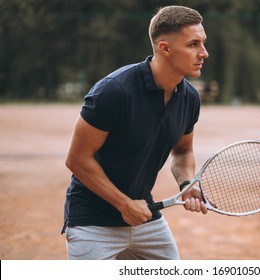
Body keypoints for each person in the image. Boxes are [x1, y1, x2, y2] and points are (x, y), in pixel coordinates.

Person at [62, 5, 209, 260]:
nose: (204, 53)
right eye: (193, 44)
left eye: (203, 43)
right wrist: (124, 204)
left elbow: (183, 151)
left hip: (145, 218)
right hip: (92, 222)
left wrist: (187, 183)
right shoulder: (114, 91)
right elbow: (77, 159)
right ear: (165, 48)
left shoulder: (189, 98)